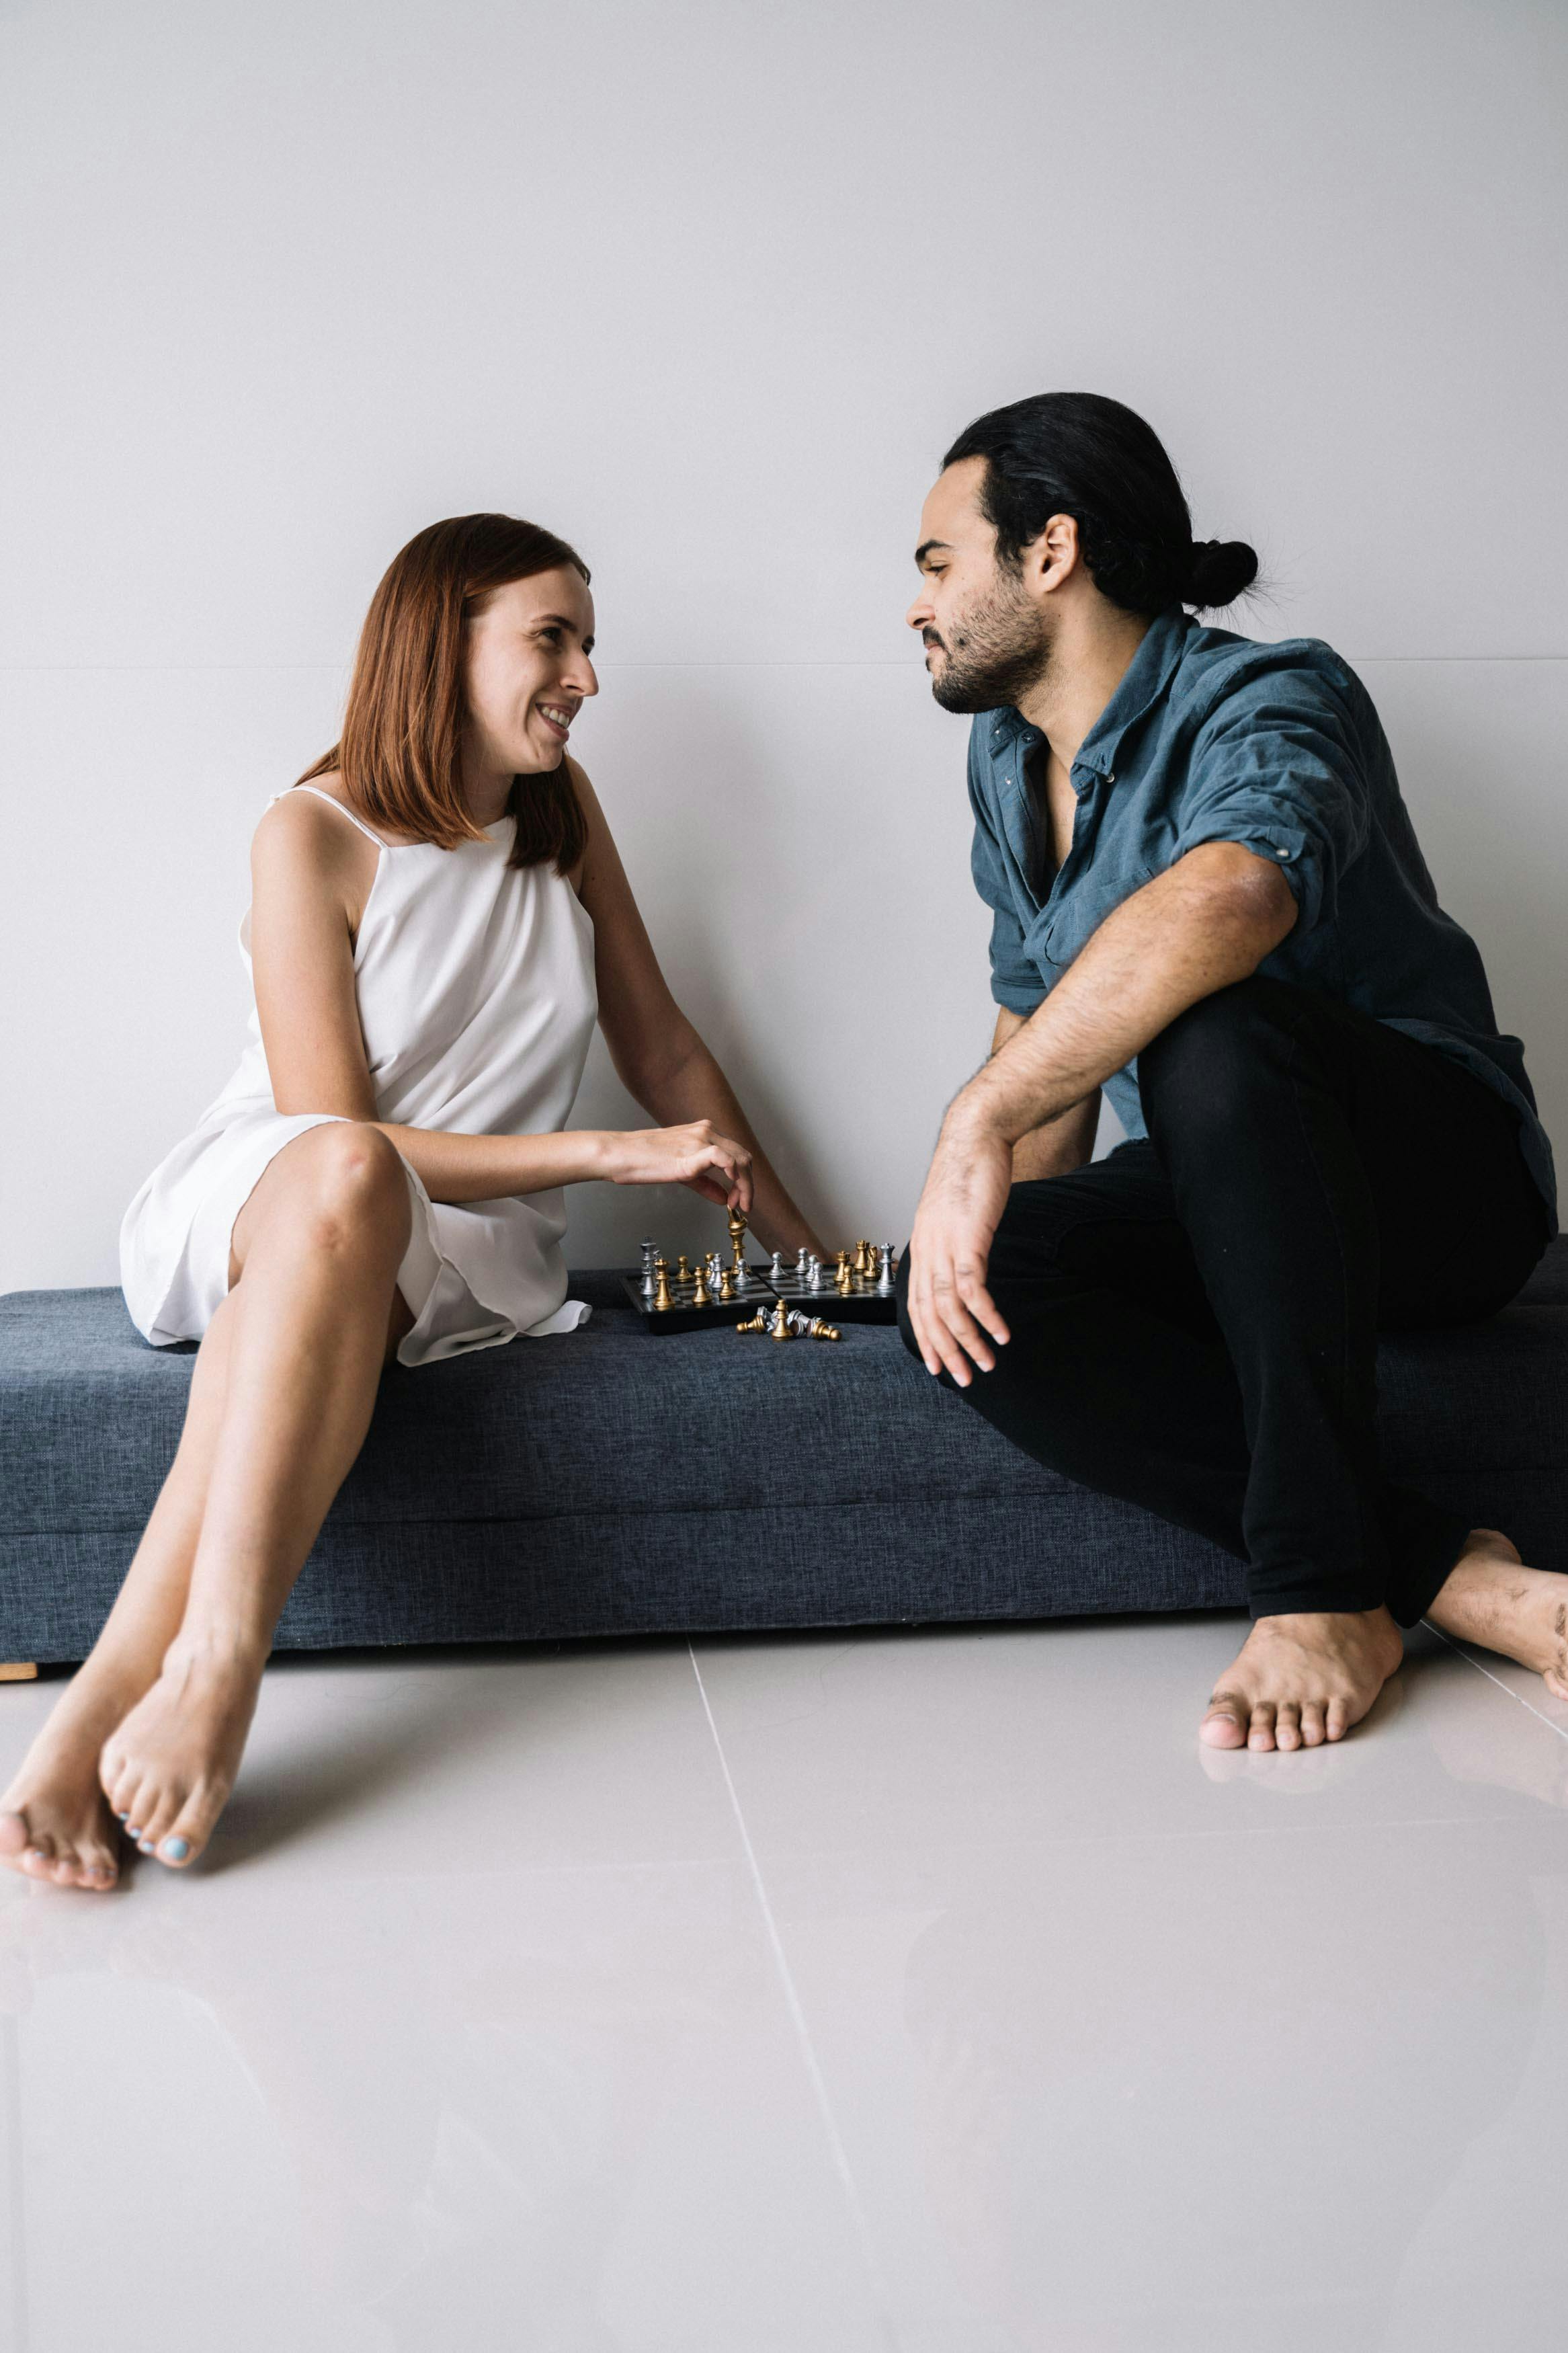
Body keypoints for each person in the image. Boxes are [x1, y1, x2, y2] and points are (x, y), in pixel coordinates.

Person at [1, 513, 823, 1889]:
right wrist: (607, 1157)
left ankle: (86, 1712)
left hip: (459, 1253)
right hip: (274, 1188)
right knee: (346, 1181)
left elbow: (665, 1048)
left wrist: (812, 1262)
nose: (587, 676)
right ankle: (215, 1666)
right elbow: (342, 1135)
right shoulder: (307, 833)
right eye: (551, 639)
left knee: (323, 1278)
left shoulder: (558, 812)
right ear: (440, 648)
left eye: (590, 642)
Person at [899, 393, 1559, 1753]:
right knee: (983, 1283)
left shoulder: (1272, 693)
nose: (915, 606)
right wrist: (975, 1219)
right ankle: (1447, 1575)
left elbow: (1235, 899)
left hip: (1438, 1195)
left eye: (936, 563)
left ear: (1050, 552)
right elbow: (1041, 1034)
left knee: (1213, 1021)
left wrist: (977, 1114)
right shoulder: (1007, 757)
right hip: (1229, 1201)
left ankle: (1319, 1588)